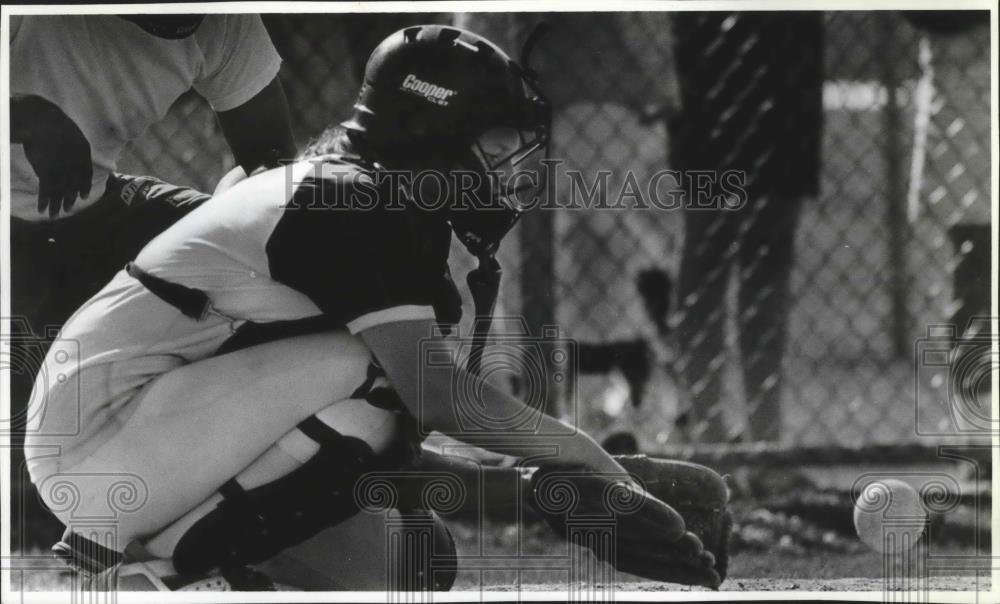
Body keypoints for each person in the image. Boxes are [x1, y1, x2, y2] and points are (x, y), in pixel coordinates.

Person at [25, 25, 637, 591]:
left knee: (418, 564)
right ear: (436, 133)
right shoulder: (355, 203)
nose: (513, 170)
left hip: (144, 434)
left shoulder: (369, 195)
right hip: (96, 441)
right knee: (378, 378)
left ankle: (194, 558)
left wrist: (548, 490)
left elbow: (388, 449)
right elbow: (434, 399)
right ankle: (156, 569)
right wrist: (600, 470)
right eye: (498, 145)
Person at [8, 13, 297, 547]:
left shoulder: (223, 21)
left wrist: (227, 236)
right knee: (31, 475)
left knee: (290, 263)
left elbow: (273, 172)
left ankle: (331, 451)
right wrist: (23, 114)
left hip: (101, 204)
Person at [669, 12, 824, 443]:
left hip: (786, 67)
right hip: (706, 65)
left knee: (769, 259)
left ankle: (767, 441)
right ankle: (708, 433)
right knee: (707, 252)